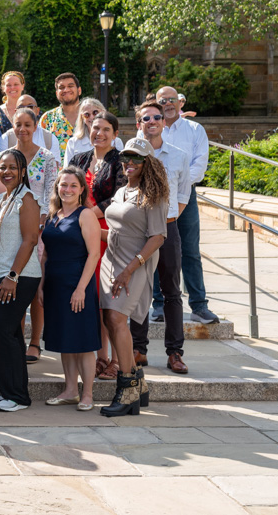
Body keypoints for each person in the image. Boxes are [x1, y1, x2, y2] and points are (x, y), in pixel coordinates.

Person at [99, 137, 169, 417]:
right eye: (126, 158)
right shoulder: (121, 191)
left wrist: (130, 268)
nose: (129, 163)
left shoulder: (153, 195)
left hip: (134, 265)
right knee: (109, 319)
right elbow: (116, 231)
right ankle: (138, 384)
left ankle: (127, 388)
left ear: (147, 163)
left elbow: (158, 237)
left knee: (117, 319)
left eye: (136, 159)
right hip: (109, 262)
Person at [130, 100, 191, 375]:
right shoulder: (130, 153)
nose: (152, 121)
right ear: (139, 123)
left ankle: (175, 352)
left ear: (164, 122)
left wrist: (164, 222)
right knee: (139, 290)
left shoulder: (178, 155)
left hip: (167, 230)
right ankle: (138, 348)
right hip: (138, 232)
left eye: (156, 117)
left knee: (171, 292)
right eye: (146, 118)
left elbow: (182, 197)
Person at [40, 166, 102, 411]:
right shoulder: (53, 216)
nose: (67, 189)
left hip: (78, 283)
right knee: (66, 341)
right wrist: (42, 286)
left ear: (81, 190)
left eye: (73, 185)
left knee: (84, 342)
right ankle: (70, 390)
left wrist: (81, 289)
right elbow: (45, 256)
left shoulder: (85, 215)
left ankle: (87, 394)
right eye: (63, 185)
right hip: (55, 285)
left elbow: (94, 254)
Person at [70, 111, 127, 380]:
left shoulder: (121, 162)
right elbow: (66, 187)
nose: (99, 133)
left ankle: (117, 360)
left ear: (115, 134)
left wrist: (88, 215)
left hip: (109, 236)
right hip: (82, 236)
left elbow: (120, 197)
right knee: (93, 299)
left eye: (105, 129)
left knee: (109, 301)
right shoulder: (78, 159)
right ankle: (100, 357)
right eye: (95, 128)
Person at [0, 149, 41, 412]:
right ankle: (12, 392)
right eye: (2, 167)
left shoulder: (26, 199)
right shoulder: (0, 199)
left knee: (3, 332)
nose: (6, 172)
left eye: (12, 168)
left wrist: (12, 276)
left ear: (23, 172)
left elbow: (30, 240)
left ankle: (17, 396)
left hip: (19, 276)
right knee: (11, 334)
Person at [2, 107, 58, 364]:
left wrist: (38, 224)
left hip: (38, 231)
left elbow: (51, 195)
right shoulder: (6, 156)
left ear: (35, 126)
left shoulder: (46, 158)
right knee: (14, 283)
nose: (22, 129)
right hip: (11, 228)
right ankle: (16, 338)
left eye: (27, 124)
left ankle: (35, 341)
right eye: (18, 124)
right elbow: (1, 191)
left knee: (33, 286)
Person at [158, 85, 216, 324]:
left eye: (172, 99)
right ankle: (158, 305)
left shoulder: (195, 130)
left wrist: (178, 186)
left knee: (190, 251)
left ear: (180, 103)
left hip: (186, 196)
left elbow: (199, 166)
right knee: (155, 248)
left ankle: (199, 306)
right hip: (157, 198)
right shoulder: (150, 127)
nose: (168, 104)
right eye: (163, 100)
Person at [0, 95, 61, 163]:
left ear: (37, 111)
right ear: (15, 111)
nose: (26, 110)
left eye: (30, 106)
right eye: (21, 107)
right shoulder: (6, 139)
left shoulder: (49, 139)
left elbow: (53, 168)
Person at [63, 98, 124, 166]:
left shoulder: (116, 141)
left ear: (103, 112)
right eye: (86, 115)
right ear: (82, 117)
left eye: (95, 112)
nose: (91, 117)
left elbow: (121, 167)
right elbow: (67, 170)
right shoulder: (73, 142)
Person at [39, 72, 82, 155]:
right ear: (56, 93)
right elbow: (39, 150)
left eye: (70, 86)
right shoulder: (47, 119)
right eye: (61, 87)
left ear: (79, 90)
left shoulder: (92, 116)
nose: (66, 90)